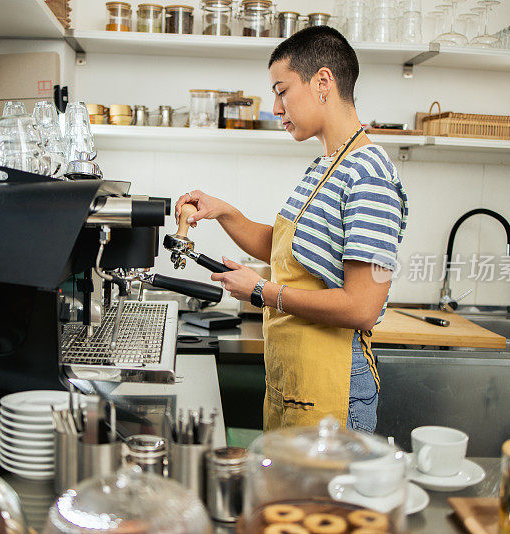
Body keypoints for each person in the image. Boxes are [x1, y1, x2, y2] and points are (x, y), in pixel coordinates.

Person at [174, 26, 408, 432]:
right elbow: (288, 249)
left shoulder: (369, 174)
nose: (276, 108)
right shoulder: (326, 166)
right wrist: (225, 212)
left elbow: (362, 308)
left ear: (322, 82)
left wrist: (262, 291)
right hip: (298, 379)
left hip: (335, 383)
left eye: (282, 91)